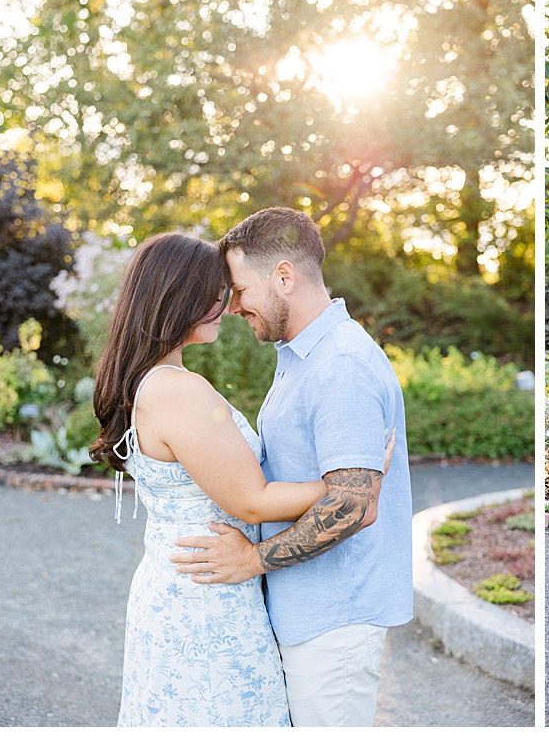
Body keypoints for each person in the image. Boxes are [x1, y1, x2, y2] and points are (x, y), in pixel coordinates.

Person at [94, 232, 395, 726]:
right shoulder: (177, 391)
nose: (225, 304)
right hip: (207, 595)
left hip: (191, 587)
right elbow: (252, 500)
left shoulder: (152, 381)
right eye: (212, 291)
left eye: (230, 289)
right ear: (172, 296)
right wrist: (356, 482)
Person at [167, 207, 414, 724]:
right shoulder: (305, 357)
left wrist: (251, 561)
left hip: (335, 619)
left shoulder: (340, 365)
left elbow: (353, 505)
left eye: (239, 290)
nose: (232, 307)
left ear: (284, 276)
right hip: (307, 613)